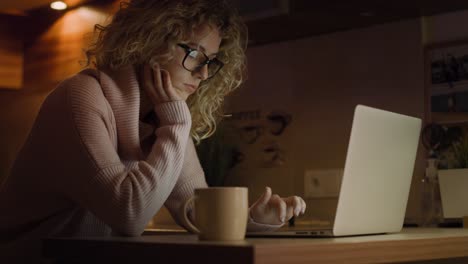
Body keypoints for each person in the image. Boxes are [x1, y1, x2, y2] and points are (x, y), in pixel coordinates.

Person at [0, 0, 306, 262]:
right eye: (194, 53)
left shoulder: (165, 115)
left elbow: (198, 211)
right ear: (149, 39)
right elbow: (128, 215)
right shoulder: (79, 96)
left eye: (209, 61)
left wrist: (256, 219)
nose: (202, 73)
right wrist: (176, 124)